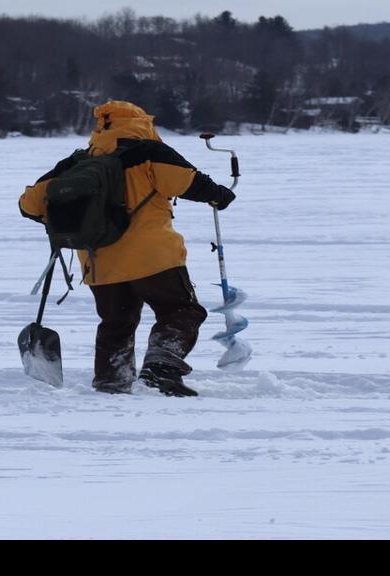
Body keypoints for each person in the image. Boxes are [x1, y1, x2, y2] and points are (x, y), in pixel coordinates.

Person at [18, 100, 236, 396]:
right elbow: (189, 182)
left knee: (116, 322)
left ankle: (112, 382)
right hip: (151, 257)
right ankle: (162, 367)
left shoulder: (77, 162)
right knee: (181, 311)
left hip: (98, 261)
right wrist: (221, 195)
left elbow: (28, 204)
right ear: (143, 123)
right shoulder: (148, 151)